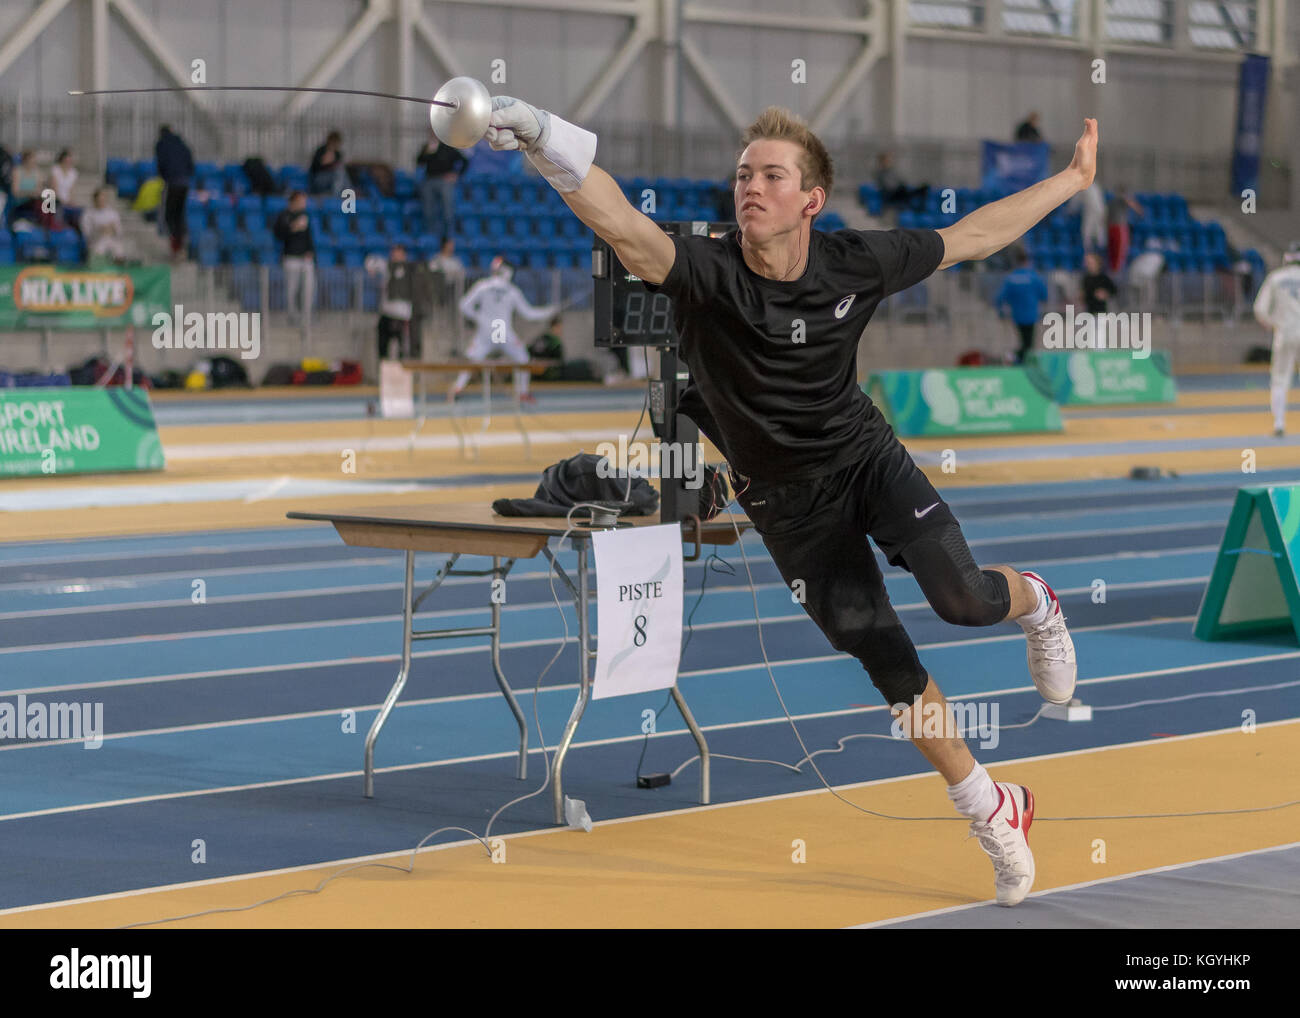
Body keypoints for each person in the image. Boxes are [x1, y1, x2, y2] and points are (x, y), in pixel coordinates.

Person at [484, 94, 1095, 906]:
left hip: (865, 460)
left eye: (772, 176)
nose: (751, 188)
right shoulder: (705, 272)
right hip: (784, 504)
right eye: (743, 175)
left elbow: (976, 233)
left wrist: (1072, 178)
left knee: (962, 599)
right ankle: (992, 806)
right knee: (886, 662)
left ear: (811, 199)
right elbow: (622, 224)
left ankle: (1039, 603)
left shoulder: (854, 262)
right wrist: (540, 136)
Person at [450, 255, 559, 405]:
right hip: (503, 332)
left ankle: (457, 388)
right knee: (523, 360)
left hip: (486, 332)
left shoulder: (483, 286)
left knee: (471, 361)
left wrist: (479, 318)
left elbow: (463, 306)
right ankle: (523, 392)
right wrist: (548, 311)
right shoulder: (512, 291)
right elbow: (529, 314)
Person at [1253, 242, 1300, 437]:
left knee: (1280, 380)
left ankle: (1279, 424)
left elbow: (1260, 309)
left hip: (1285, 333)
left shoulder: (1275, 278)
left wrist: (1273, 323)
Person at [273, 190, 316, 333]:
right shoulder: (284, 216)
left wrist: (310, 251)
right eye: (301, 201)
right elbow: (279, 234)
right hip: (291, 258)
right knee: (291, 290)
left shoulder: (305, 216)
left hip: (305, 259)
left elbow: (309, 236)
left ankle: (307, 318)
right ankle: (292, 316)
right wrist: (293, 227)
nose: (303, 204)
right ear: (294, 201)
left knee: (308, 289)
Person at [996, 249, 1049, 362]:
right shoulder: (1034, 277)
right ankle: (1016, 359)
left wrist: (1000, 312)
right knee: (1029, 342)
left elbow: (1000, 298)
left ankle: (1017, 359)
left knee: (1024, 341)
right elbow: (1044, 295)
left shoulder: (1011, 278)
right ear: (1027, 262)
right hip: (1031, 315)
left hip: (1017, 315)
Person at [416, 131, 469, 242]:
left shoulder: (448, 147)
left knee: (447, 210)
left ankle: (449, 236)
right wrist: (427, 152)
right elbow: (419, 161)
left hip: (444, 181)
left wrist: (456, 175)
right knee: (428, 210)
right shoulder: (428, 147)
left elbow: (464, 161)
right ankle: (430, 236)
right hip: (429, 180)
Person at [155, 125, 194, 258]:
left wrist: (165, 177)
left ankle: (175, 248)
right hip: (185, 183)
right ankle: (180, 247)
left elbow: (161, 164)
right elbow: (191, 164)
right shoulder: (182, 144)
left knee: (170, 216)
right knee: (179, 215)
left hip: (172, 183)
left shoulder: (162, 144)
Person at [375, 244, 415, 361]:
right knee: (382, 346)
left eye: (398, 254)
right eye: (394, 254)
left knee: (403, 348)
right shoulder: (387, 267)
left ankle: (402, 375)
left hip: (402, 314)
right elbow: (371, 262)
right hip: (387, 312)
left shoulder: (410, 270)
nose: (395, 256)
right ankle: (383, 372)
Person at [873, 151, 928, 216]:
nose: (888, 162)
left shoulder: (893, 172)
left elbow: (901, 181)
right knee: (903, 190)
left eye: (889, 160)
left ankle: (920, 209)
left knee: (924, 188)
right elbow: (886, 186)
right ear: (881, 162)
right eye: (886, 160)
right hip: (891, 195)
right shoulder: (879, 173)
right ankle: (914, 207)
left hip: (899, 191)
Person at [1106, 186, 1144, 275]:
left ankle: (1116, 271)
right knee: (1115, 251)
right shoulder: (1114, 201)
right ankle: (1115, 271)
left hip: (1116, 227)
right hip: (1115, 227)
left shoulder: (1116, 201)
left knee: (1117, 252)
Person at [81, 187, 125, 262]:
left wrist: (113, 229)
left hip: (111, 239)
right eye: (100, 199)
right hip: (96, 241)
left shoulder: (112, 213)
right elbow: (86, 232)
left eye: (103, 199)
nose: (102, 201)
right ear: (95, 200)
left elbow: (119, 231)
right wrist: (99, 230)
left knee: (119, 250)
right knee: (100, 249)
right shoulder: (88, 214)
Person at [309, 131, 349, 196]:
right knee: (339, 173)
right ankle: (336, 195)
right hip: (318, 179)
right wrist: (325, 162)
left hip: (333, 179)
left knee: (342, 172)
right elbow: (315, 168)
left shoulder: (337, 154)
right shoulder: (321, 151)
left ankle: (349, 192)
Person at [528, 314, 565, 381]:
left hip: (536, 376)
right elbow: (559, 361)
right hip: (548, 376)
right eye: (559, 328)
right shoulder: (554, 343)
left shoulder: (542, 338)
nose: (561, 331)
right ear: (554, 327)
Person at [49, 149, 81, 229]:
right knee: (59, 208)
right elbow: (54, 189)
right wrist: (62, 201)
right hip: (55, 199)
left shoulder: (74, 173)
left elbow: (71, 191)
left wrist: (71, 201)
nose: (68, 162)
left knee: (78, 211)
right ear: (62, 159)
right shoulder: (55, 170)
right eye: (67, 159)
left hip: (67, 200)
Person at [1079, 179, 1105, 254]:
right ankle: (1097, 251)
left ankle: (1089, 251)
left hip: (1092, 210)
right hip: (1100, 209)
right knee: (1098, 230)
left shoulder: (1084, 186)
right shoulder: (1095, 185)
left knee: (1087, 230)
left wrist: (1069, 211)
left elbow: (1075, 202)